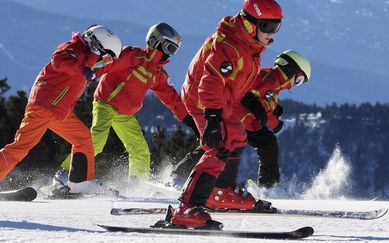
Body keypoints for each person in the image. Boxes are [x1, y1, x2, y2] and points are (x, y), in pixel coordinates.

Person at [170, 0, 284, 228]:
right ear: (251, 24)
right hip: (204, 100)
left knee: (237, 138)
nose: (271, 34)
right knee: (218, 146)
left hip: (222, 99)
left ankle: (220, 193)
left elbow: (236, 80)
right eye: (267, 27)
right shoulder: (229, 46)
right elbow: (210, 82)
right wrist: (212, 118)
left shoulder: (249, 44)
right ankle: (186, 209)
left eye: (276, 27)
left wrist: (250, 100)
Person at [59, 22, 199, 184]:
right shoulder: (132, 55)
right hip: (105, 104)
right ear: (155, 42)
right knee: (96, 141)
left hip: (125, 115)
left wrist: (191, 122)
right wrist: (89, 73)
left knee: (140, 150)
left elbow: (173, 100)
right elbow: (107, 65)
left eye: (173, 51)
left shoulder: (158, 74)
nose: (170, 54)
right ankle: (65, 173)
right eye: (169, 48)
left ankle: (137, 184)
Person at [0, 25, 122, 194]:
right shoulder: (72, 48)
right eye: (105, 56)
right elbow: (59, 61)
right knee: (21, 147)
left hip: (59, 112)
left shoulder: (88, 60)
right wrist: (83, 69)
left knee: (83, 138)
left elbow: (97, 69)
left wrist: (124, 61)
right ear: (97, 47)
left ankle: (81, 182)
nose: (104, 60)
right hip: (43, 107)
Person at [168, 50, 311, 191]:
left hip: (246, 121)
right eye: (298, 80)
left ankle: (268, 184)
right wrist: (277, 124)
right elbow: (258, 102)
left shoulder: (270, 78)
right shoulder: (270, 81)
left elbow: (260, 99)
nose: (295, 84)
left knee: (251, 144)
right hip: (240, 119)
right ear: (291, 70)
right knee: (220, 145)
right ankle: (268, 186)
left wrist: (272, 108)